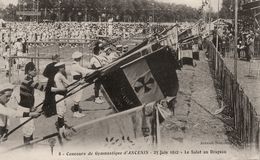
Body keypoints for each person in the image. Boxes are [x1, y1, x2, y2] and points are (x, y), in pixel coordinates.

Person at [18, 62, 46, 146]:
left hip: (27, 107)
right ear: (29, 71)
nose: (36, 71)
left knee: (30, 128)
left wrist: (31, 107)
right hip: (23, 109)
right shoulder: (27, 81)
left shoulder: (29, 79)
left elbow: (29, 96)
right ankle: (28, 150)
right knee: (27, 130)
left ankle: (29, 146)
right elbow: (42, 88)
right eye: (34, 70)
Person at [70, 51, 94, 118]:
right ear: (78, 58)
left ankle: (76, 112)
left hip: (77, 81)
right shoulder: (75, 65)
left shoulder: (74, 65)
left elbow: (83, 70)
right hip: (77, 82)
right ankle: (76, 113)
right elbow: (84, 71)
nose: (80, 59)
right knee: (77, 98)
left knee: (78, 98)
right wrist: (94, 71)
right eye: (80, 58)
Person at [53, 62, 71, 137]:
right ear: (59, 68)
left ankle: (62, 128)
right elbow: (68, 83)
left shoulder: (57, 75)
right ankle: (61, 129)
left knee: (62, 112)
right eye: (63, 67)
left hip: (59, 95)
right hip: (59, 95)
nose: (64, 68)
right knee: (61, 112)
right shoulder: (60, 75)